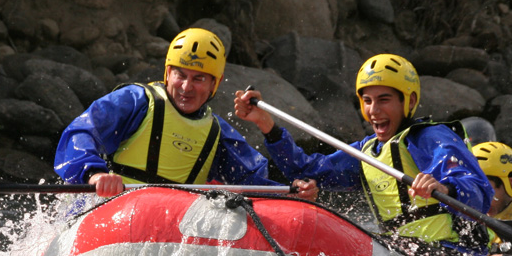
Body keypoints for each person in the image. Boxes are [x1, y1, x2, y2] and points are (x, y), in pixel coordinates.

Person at [233, 53, 494, 256]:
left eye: (384, 100)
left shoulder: (430, 137)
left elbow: (480, 192)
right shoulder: (366, 152)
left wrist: (446, 187)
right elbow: (308, 170)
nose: (373, 110)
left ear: (410, 101)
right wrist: (266, 125)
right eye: (367, 101)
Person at [54, 27, 316, 199]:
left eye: (199, 78)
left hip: (169, 230)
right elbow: (82, 132)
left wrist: (290, 193)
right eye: (180, 74)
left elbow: (251, 183)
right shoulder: (134, 101)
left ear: (216, 83)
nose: (186, 87)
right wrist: (95, 174)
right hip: (108, 209)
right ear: (168, 73)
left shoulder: (218, 134)